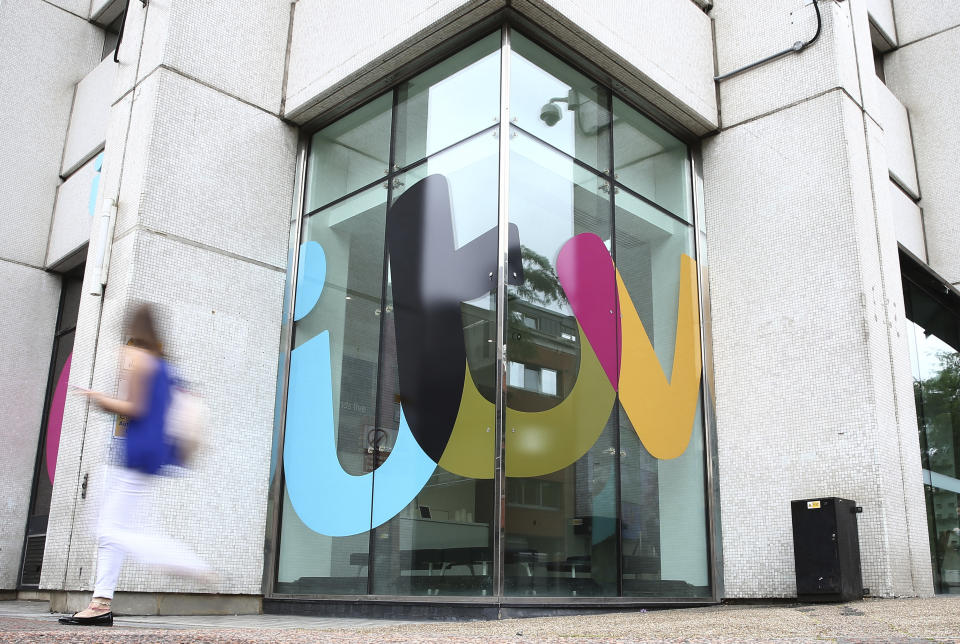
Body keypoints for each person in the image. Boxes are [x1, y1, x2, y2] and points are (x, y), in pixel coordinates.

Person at [59, 303, 212, 627]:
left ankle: (183, 561)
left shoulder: (138, 360)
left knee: (109, 529)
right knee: (112, 529)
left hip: (135, 454)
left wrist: (96, 397)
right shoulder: (165, 365)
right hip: (147, 456)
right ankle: (101, 603)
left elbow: (135, 407)